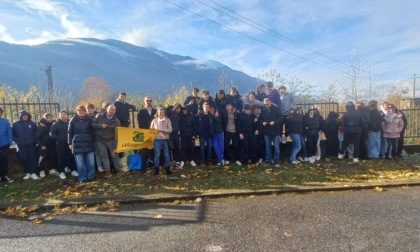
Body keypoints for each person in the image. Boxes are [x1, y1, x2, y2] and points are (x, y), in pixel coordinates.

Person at [92, 105, 123, 178]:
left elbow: (117, 133)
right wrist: (100, 125)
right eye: (110, 109)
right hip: (100, 140)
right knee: (104, 156)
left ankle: (118, 169)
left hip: (111, 140)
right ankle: (107, 171)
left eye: (113, 110)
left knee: (114, 155)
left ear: (115, 111)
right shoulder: (99, 116)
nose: (111, 111)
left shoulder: (116, 121)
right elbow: (92, 124)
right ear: (107, 109)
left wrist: (116, 144)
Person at [68, 105, 96, 182]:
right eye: (79, 110)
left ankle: (91, 176)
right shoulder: (72, 120)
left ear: (85, 111)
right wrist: (70, 143)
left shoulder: (89, 119)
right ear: (76, 111)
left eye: (82, 110)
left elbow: (93, 131)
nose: (81, 112)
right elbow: (70, 132)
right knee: (80, 163)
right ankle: (82, 177)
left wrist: (93, 141)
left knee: (91, 162)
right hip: (77, 143)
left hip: (89, 142)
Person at [50, 111, 77, 180]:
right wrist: (60, 139)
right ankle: (61, 172)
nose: (63, 116)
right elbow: (52, 133)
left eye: (64, 114)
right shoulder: (56, 124)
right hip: (60, 144)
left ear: (67, 115)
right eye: (61, 115)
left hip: (70, 144)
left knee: (71, 157)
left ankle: (73, 170)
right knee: (60, 158)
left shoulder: (70, 123)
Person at [12, 110, 38, 180]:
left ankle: (33, 173)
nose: (25, 117)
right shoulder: (15, 124)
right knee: (24, 158)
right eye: (23, 116)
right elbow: (12, 134)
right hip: (21, 145)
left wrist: (33, 140)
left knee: (32, 158)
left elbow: (36, 132)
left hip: (31, 144)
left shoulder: (32, 124)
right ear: (20, 117)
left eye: (26, 115)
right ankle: (27, 173)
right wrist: (18, 140)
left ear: (28, 116)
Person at [150, 108, 172, 175]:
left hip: (165, 139)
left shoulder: (168, 120)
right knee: (157, 155)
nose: (161, 113)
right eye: (160, 112)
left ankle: (167, 168)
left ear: (164, 113)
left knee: (166, 154)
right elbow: (150, 129)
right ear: (157, 113)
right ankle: (156, 169)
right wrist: (154, 129)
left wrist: (162, 130)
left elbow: (170, 130)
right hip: (156, 139)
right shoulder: (154, 120)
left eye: (162, 112)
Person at [260, 98, 282, 167]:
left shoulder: (276, 109)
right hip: (267, 131)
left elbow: (281, 118)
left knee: (276, 147)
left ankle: (276, 161)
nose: (266, 105)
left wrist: (274, 122)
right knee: (267, 147)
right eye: (265, 104)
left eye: (267, 104)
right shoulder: (263, 110)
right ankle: (268, 161)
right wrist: (262, 123)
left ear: (270, 102)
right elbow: (260, 119)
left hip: (275, 131)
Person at [137, 96, 157, 169]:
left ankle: (155, 165)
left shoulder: (155, 111)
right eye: (147, 101)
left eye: (150, 100)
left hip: (154, 133)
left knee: (155, 150)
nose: (148, 102)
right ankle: (143, 167)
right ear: (144, 102)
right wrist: (148, 130)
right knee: (144, 150)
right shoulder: (141, 112)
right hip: (145, 133)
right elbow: (140, 123)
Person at [36, 113, 57, 178]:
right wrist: (41, 145)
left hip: (52, 144)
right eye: (50, 118)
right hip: (43, 145)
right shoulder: (41, 126)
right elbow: (37, 137)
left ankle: (51, 169)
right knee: (42, 158)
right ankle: (41, 170)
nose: (51, 119)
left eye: (52, 118)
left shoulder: (53, 124)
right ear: (46, 118)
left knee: (52, 157)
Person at [0, 107, 13, 182]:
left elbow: (9, 132)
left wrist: (10, 142)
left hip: (5, 144)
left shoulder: (5, 121)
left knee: (4, 161)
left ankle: (4, 176)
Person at [168, 103, 183, 169]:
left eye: (179, 108)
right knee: (171, 148)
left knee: (178, 148)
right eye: (177, 108)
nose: (178, 110)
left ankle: (177, 161)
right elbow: (166, 109)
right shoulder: (170, 113)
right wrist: (172, 105)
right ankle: (171, 161)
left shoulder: (180, 115)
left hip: (177, 134)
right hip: (170, 134)